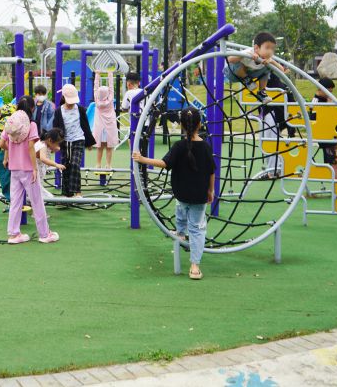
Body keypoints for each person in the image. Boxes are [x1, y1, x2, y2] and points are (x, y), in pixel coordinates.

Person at [132, 107, 215, 280]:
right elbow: (211, 172)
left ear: (182, 126)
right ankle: (194, 266)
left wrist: (142, 159)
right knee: (197, 229)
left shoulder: (178, 146)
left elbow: (163, 163)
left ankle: (180, 232)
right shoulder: (206, 147)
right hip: (199, 195)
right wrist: (211, 190)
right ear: (199, 125)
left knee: (181, 210)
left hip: (181, 193)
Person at [0, 96, 58, 244]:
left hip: (14, 169)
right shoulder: (31, 124)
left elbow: (2, 143)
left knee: (15, 202)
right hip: (27, 169)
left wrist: (11, 153)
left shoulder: (11, 122)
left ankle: (14, 234)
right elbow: (31, 147)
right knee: (37, 201)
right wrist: (34, 168)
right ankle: (44, 234)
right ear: (32, 108)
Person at [53, 84, 95, 198]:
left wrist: (89, 142)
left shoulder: (80, 109)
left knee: (75, 164)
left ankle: (77, 191)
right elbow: (56, 128)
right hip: (65, 141)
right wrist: (55, 143)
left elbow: (85, 126)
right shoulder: (58, 111)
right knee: (65, 165)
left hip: (78, 139)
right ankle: (67, 193)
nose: (71, 103)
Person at [224, 31, 285, 104]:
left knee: (268, 67)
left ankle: (261, 93)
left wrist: (272, 62)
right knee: (239, 59)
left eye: (272, 49)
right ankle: (246, 79)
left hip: (250, 74)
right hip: (233, 73)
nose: (270, 51)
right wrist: (248, 55)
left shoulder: (268, 58)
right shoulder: (249, 52)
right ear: (256, 48)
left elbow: (282, 71)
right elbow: (229, 59)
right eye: (267, 47)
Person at [312, 78, 337, 180]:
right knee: (334, 166)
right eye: (328, 91)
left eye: (331, 91)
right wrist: (329, 105)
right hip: (328, 138)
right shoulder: (316, 102)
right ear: (320, 89)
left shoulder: (329, 100)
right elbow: (317, 122)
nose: (330, 94)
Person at [93, 71, 118, 170]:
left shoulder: (97, 100)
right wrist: (110, 74)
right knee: (109, 146)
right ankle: (108, 164)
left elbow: (95, 87)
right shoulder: (110, 99)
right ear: (107, 94)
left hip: (100, 126)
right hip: (109, 126)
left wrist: (97, 75)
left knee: (100, 147)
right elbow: (112, 88)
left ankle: (98, 164)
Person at [35, 127, 65, 199]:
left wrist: (55, 148)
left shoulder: (45, 144)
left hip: (38, 169)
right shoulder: (42, 146)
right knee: (37, 189)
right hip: (34, 170)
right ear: (50, 140)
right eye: (57, 143)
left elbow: (50, 151)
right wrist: (56, 164)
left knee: (38, 187)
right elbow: (43, 158)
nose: (58, 146)